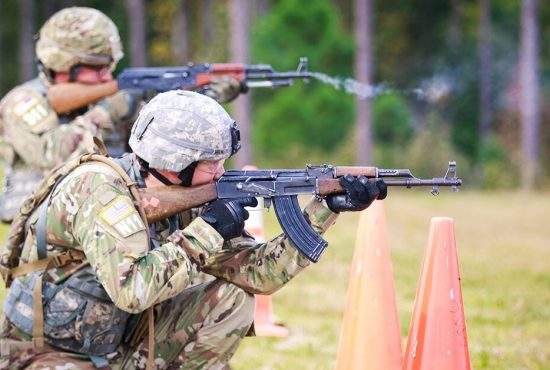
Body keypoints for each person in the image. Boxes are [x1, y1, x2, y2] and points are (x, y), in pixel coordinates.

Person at [0, 90, 387, 369]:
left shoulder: (187, 192)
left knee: (233, 298)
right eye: (210, 162)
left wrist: (324, 208)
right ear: (174, 161)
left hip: (117, 345)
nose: (220, 172)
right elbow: (133, 290)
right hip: (44, 354)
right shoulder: (100, 191)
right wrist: (209, 230)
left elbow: (259, 274)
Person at [0, 7, 242, 224]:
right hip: (43, 226)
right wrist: (107, 112)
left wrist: (201, 99)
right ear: (62, 62)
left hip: (105, 214)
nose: (107, 76)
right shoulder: (23, 102)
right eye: (97, 67)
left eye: (110, 66)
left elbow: (159, 149)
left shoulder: (105, 100)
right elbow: (50, 153)